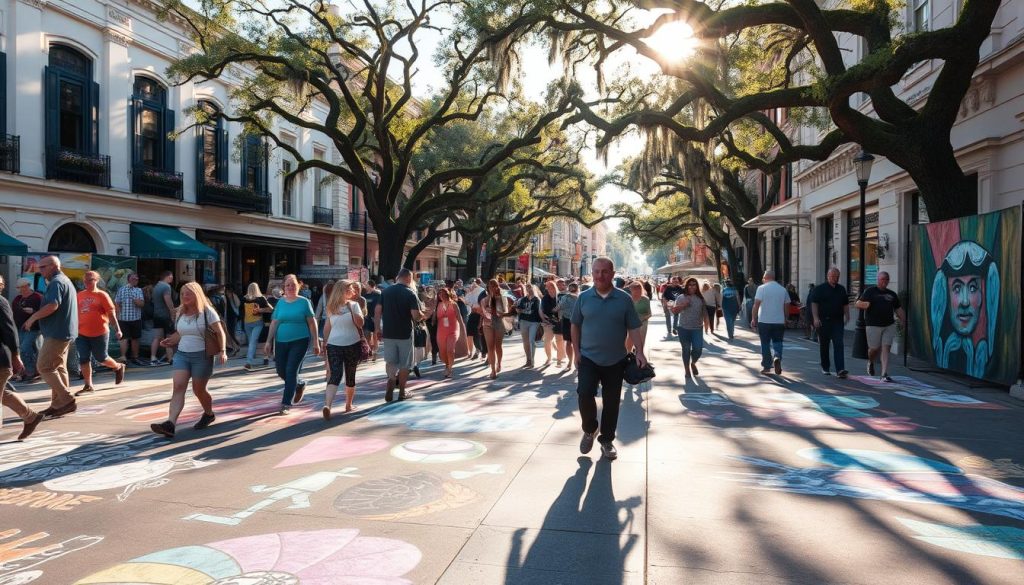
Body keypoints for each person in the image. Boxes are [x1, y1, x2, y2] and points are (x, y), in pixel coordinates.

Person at [571, 257, 647, 461]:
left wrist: (639, 351)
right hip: (588, 357)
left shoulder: (624, 299)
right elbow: (575, 325)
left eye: (604, 272)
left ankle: (607, 440)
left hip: (616, 360)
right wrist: (576, 352)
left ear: (613, 274)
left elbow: (633, 327)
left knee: (611, 402)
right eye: (596, 271)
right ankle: (589, 429)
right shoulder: (584, 297)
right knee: (584, 393)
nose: (599, 276)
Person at [149, 282, 227, 438]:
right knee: (178, 387)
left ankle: (208, 414)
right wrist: (170, 340)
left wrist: (223, 351)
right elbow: (180, 333)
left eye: (188, 293)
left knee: (199, 390)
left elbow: (220, 333)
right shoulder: (180, 312)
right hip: (182, 355)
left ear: (197, 294)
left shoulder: (207, 312)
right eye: (183, 293)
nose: (185, 296)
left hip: (202, 356)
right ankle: (170, 424)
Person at [20, 255, 78, 418]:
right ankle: (58, 404)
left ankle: (66, 399)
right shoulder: (65, 281)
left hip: (56, 333)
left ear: (53, 266)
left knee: (44, 367)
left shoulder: (57, 282)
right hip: (64, 331)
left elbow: (53, 305)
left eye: (43, 267)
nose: (40, 271)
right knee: (58, 368)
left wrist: (33, 318)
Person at [264, 274, 320, 414]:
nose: (290, 287)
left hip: (300, 340)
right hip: (281, 341)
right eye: (288, 285)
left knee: (291, 371)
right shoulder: (281, 303)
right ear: (284, 287)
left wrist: (316, 341)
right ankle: (300, 383)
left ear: (299, 286)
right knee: (281, 371)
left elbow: (312, 322)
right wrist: (268, 341)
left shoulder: (304, 302)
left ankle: (286, 404)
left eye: (293, 285)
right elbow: (274, 322)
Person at [1, 276, 43, 440]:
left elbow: (9, 331)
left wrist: (16, 355)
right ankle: (31, 417)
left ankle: (31, 417)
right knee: (2, 394)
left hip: (1, 359)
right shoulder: (13, 300)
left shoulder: (1, 302)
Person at [75, 271, 126, 396]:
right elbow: (74, 313)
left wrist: (118, 329)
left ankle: (118, 366)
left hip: (100, 332)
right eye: (85, 281)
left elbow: (111, 314)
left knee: (101, 358)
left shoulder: (102, 295)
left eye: (90, 280)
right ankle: (88, 385)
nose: (87, 282)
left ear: (97, 280)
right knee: (83, 358)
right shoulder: (79, 295)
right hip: (81, 333)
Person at [380, 268, 425, 401]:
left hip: (388, 332)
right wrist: (424, 315)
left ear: (397, 277)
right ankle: (402, 392)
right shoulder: (410, 293)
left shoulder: (386, 291)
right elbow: (416, 316)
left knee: (391, 361)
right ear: (408, 278)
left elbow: (377, 311)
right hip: (405, 333)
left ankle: (391, 379)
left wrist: (377, 328)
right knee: (405, 364)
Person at [322, 279, 364, 417]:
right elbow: (361, 324)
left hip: (335, 344)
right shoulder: (339, 306)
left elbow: (328, 328)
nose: (353, 291)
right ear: (343, 291)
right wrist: (324, 344)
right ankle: (347, 405)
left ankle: (328, 405)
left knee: (335, 375)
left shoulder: (340, 307)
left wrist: (325, 343)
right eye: (350, 289)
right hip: (349, 344)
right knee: (349, 375)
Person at [855, 271, 906, 382]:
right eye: (882, 279)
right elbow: (858, 303)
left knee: (886, 347)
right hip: (873, 325)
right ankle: (871, 361)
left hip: (889, 324)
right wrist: (864, 304)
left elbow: (898, 308)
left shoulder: (892, 294)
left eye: (886, 279)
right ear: (878, 280)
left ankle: (884, 374)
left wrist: (903, 320)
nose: (884, 281)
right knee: (874, 349)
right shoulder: (870, 291)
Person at [810, 268, 850, 378]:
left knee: (839, 344)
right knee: (824, 345)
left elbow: (845, 304)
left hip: (837, 321)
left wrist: (847, 315)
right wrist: (815, 318)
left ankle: (840, 369)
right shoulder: (820, 289)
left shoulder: (841, 289)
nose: (835, 278)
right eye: (833, 276)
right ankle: (825, 367)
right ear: (828, 276)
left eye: (837, 276)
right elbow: (814, 304)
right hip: (823, 321)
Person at [750, 270, 789, 375]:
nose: (762, 280)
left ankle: (767, 366)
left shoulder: (761, 288)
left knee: (765, 343)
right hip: (779, 321)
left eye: (763, 277)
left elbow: (756, 304)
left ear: (766, 278)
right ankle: (777, 356)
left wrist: (754, 319)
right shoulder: (782, 290)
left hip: (764, 321)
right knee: (778, 342)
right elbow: (786, 306)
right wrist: (786, 318)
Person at [672, 278, 706, 377]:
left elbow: (704, 312)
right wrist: (684, 305)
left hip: (697, 328)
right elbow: (674, 311)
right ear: (687, 286)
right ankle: (687, 370)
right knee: (686, 349)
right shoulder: (681, 297)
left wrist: (707, 323)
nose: (692, 286)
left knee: (698, 349)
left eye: (694, 285)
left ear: (697, 286)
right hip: (683, 328)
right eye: (690, 285)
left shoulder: (700, 298)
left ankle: (693, 363)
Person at [12, 278, 42, 382]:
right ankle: (33, 371)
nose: (23, 289)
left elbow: (44, 312)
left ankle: (30, 372)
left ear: (29, 285)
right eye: (20, 287)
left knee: (25, 349)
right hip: (20, 328)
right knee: (30, 350)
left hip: (34, 328)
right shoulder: (17, 299)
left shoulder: (38, 297)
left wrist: (33, 311)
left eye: (25, 286)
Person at [434, 287, 467, 378]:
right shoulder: (439, 305)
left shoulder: (454, 304)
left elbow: (459, 318)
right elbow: (435, 319)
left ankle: (450, 369)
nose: (441, 296)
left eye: (443, 294)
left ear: (447, 294)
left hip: (453, 330)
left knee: (450, 350)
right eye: (440, 294)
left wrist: (463, 330)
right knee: (443, 352)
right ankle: (447, 365)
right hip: (441, 331)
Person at [480, 279, 510, 379]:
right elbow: (484, 312)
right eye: (490, 286)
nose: (492, 288)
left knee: (498, 346)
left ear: (498, 287)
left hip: (498, 323)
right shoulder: (484, 300)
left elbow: (504, 311)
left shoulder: (502, 298)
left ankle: (499, 363)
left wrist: (497, 312)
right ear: (488, 287)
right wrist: (490, 297)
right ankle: (493, 370)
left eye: (495, 286)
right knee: (490, 347)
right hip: (487, 324)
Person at [114, 273, 145, 366]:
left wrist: (137, 302)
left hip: (135, 318)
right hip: (123, 319)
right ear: (129, 280)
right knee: (124, 339)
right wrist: (117, 314)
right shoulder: (121, 289)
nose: (136, 280)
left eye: (137, 279)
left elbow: (142, 304)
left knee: (135, 339)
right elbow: (117, 303)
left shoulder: (138, 290)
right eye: (134, 279)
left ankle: (134, 357)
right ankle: (123, 357)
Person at [241, 283, 273, 370]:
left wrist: (260, 310)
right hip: (256, 322)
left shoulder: (244, 298)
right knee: (252, 341)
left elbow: (241, 311)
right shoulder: (261, 298)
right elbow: (271, 309)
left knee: (252, 341)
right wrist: (261, 310)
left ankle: (249, 362)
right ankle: (252, 357)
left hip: (247, 322)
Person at [150, 271, 176, 365]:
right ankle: (170, 358)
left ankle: (153, 357)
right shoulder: (166, 287)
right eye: (171, 276)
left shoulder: (156, 286)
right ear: (168, 276)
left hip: (156, 314)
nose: (172, 278)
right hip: (166, 316)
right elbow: (168, 300)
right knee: (169, 337)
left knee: (156, 337)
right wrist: (172, 312)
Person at [514, 284, 543, 368]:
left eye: (530, 288)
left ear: (534, 289)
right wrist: (516, 308)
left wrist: (544, 320)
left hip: (534, 322)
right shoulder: (522, 299)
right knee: (525, 342)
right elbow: (518, 310)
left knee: (531, 341)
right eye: (527, 288)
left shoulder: (537, 299)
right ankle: (528, 360)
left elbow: (536, 311)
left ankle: (532, 361)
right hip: (523, 321)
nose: (528, 290)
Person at [541, 280, 566, 368]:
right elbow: (544, 310)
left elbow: (563, 308)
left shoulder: (560, 296)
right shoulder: (545, 298)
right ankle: (549, 358)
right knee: (547, 341)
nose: (548, 288)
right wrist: (545, 319)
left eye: (550, 286)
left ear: (554, 287)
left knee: (559, 341)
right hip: (549, 321)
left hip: (559, 321)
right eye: (547, 287)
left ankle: (559, 359)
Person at [557, 281, 579, 372]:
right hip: (576, 322)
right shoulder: (580, 297)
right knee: (575, 342)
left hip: (567, 321)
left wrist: (555, 312)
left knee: (569, 342)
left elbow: (559, 308)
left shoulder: (565, 297)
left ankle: (571, 362)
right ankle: (574, 361)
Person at [627, 281, 652, 352]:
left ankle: (639, 356)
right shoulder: (628, 299)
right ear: (631, 289)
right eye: (634, 289)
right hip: (630, 323)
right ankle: (628, 355)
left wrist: (642, 319)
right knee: (629, 342)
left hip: (642, 323)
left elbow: (650, 313)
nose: (636, 290)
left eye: (638, 288)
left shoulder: (645, 299)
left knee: (641, 342)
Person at [362, 280, 382, 362]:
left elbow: (380, 306)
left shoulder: (378, 295)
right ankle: (369, 351)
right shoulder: (365, 296)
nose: (365, 286)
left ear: (370, 285)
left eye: (366, 284)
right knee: (367, 336)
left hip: (376, 318)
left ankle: (375, 353)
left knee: (375, 336)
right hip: (367, 318)